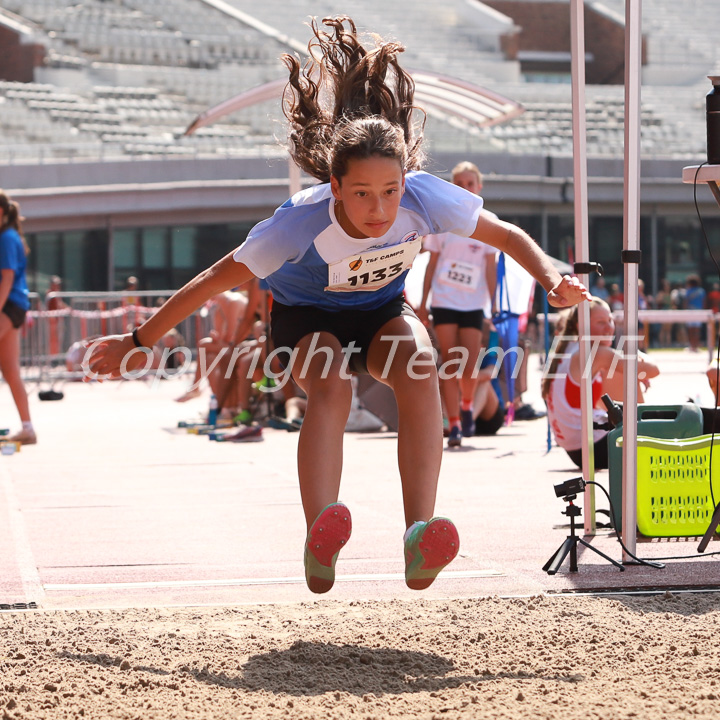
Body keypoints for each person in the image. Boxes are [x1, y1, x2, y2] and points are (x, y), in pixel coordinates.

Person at [85, 16, 589, 595]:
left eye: (390, 191)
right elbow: (210, 279)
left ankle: (418, 533)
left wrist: (552, 280)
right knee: (330, 381)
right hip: (307, 317)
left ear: (406, 179)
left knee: (421, 368)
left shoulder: (425, 197)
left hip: (380, 310)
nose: (379, 209)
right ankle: (320, 534)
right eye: (362, 194)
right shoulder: (298, 220)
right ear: (334, 183)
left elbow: (506, 236)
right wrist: (137, 342)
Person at [418, 161, 497, 447]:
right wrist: (423, 301)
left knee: (469, 365)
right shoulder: (442, 222)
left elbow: (490, 266)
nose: (465, 188)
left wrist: (494, 303)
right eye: (460, 184)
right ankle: (453, 424)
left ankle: (466, 405)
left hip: (474, 305)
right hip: (444, 300)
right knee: (449, 362)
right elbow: (431, 263)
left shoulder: (488, 221)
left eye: (470, 184)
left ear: (479, 187)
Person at [542, 297, 660, 469]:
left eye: (610, 320)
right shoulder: (596, 353)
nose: (609, 327)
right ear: (581, 326)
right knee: (626, 375)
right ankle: (642, 430)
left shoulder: (570, 348)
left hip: (577, 450)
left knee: (619, 371)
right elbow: (653, 370)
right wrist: (637, 354)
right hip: (594, 448)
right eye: (601, 322)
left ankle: (641, 427)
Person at [175, 283, 259, 402]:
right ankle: (222, 404)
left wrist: (218, 339)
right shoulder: (219, 308)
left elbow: (230, 335)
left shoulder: (233, 301)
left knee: (204, 345)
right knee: (208, 357)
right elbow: (224, 337)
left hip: (247, 343)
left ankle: (196, 388)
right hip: (237, 344)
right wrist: (216, 338)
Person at [0, 191, 37, 445]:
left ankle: (27, 428)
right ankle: (28, 429)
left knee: (11, 369)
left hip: (9, 304)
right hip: (14, 305)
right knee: (11, 369)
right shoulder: (9, 236)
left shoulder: (6, 238)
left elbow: (8, 278)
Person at [684, 274, 706, 352]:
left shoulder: (688, 291)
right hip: (699, 312)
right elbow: (703, 302)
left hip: (690, 312)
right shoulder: (701, 291)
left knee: (691, 330)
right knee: (697, 331)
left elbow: (686, 302)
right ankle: (696, 347)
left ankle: (691, 346)